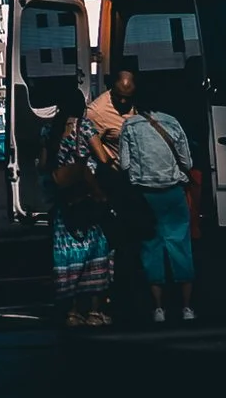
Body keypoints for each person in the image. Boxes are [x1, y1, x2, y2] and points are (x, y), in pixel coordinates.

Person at [105, 66, 197, 325]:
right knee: (180, 246)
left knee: (151, 249)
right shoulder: (173, 122)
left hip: (145, 196)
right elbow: (187, 162)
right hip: (173, 193)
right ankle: (187, 308)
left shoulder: (130, 127)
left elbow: (124, 165)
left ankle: (159, 309)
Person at [47, 88, 114, 331]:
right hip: (87, 197)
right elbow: (103, 158)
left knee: (69, 259)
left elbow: (44, 164)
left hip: (64, 203)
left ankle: (73, 312)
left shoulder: (50, 130)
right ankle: (95, 311)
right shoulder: (84, 128)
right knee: (96, 254)